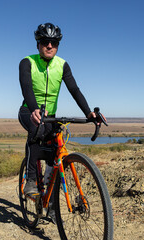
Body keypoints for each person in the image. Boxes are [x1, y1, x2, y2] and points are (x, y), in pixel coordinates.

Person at [18, 23, 103, 197]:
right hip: (29, 111)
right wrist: (35, 109)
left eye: (54, 43)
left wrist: (88, 113)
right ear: (38, 44)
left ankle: (50, 198)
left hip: (50, 116)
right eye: (45, 42)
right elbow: (26, 87)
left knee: (55, 146)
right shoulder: (27, 62)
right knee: (36, 128)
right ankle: (31, 180)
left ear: (57, 45)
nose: (49, 45)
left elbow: (74, 90)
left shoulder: (62, 65)